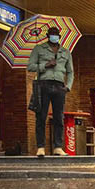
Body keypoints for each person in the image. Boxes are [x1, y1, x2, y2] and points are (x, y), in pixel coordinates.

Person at [27, 25, 74, 156]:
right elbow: (30, 66)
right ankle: (40, 147)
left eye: (56, 34)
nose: (54, 36)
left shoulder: (65, 52)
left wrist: (68, 86)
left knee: (59, 117)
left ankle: (58, 147)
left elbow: (70, 72)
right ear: (47, 36)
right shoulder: (39, 49)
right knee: (41, 116)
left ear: (59, 37)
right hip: (43, 84)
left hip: (59, 86)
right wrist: (45, 65)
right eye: (52, 34)